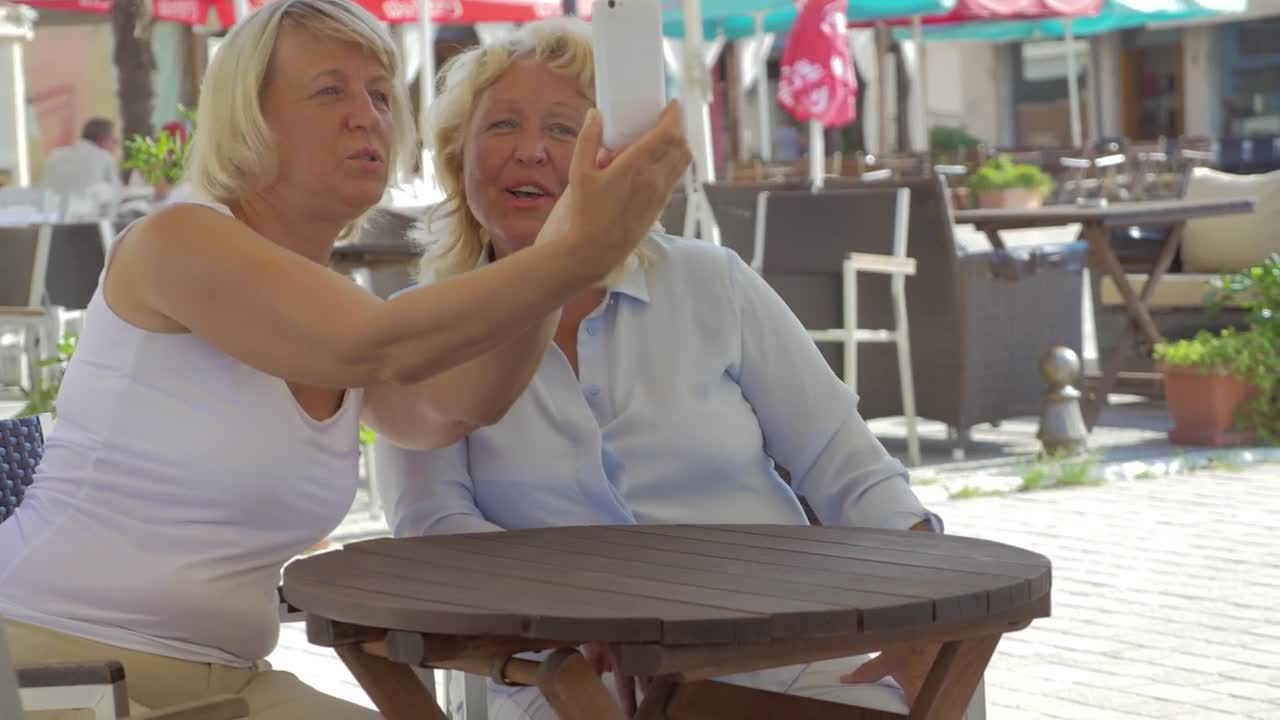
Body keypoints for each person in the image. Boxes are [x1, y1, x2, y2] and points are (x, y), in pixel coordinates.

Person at [0, 1, 689, 718]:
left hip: (220, 682)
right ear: (250, 118)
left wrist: (553, 241)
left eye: (382, 94)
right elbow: (375, 342)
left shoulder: (328, 308)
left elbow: (455, 407)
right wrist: (576, 250)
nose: (368, 115)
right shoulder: (176, 241)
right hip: (52, 665)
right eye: (331, 90)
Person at [376, 18, 942, 720]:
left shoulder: (710, 282)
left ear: (616, 159)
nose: (530, 152)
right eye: (501, 127)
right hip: (565, 679)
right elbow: (432, 526)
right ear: (456, 157)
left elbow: (842, 459)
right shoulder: (419, 324)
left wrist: (927, 598)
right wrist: (570, 610)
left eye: (562, 130)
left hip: (782, 658)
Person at [39, 117, 123, 214]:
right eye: (115, 141)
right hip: (88, 223)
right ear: (105, 140)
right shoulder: (105, 157)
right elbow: (116, 197)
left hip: (50, 221)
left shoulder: (54, 155)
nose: (115, 146)